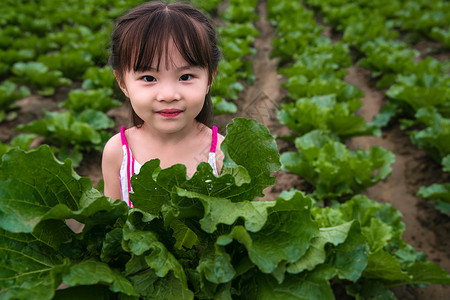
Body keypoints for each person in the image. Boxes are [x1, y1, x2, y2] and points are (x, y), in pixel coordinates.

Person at [102, 1, 224, 206]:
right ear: (122, 82)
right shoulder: (118, 152)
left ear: (210, 79)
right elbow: (109, 225)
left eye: (185, 76)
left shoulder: (221, 152)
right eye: (149, 78)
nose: (168, 95)